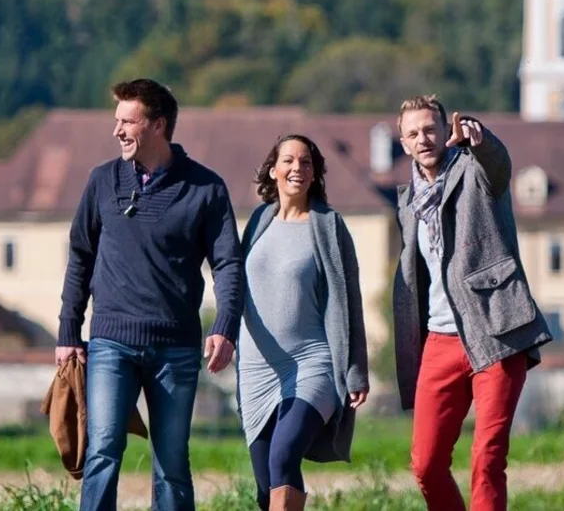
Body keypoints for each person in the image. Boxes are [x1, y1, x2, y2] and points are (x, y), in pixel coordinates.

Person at [57, 78, 245, 511]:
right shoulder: (102, 181)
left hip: (176, 348)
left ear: (158, 125)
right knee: (102, 451)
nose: (117, 130)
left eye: (128, 121)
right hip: (110, 343)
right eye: (116, 120)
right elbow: (80, 256)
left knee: (172, 463)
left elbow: (228, 264)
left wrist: (225, 325)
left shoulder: (206, 188)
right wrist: (69, 331)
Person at [390, 95, 553, 511]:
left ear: (446, 132)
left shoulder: (474, 170)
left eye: (430, 129)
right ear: (403, 140)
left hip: (496, 329)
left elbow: (498, 166)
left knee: (487, 459)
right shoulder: (408, 201)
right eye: (413, 133)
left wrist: (481, 141)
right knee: (425, 465)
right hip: (440, 341)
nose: (423, 139)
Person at [235, 134, 370, 511]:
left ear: (315, 173)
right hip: (257, 372)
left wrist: (356, 369)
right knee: (267, 489)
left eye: (306, 162)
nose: (298, 168)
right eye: (289, 161)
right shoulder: (259, 220)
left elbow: (349, 302)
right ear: (274, 170)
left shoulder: (328, 225)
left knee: (283, 455)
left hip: (312, 364)